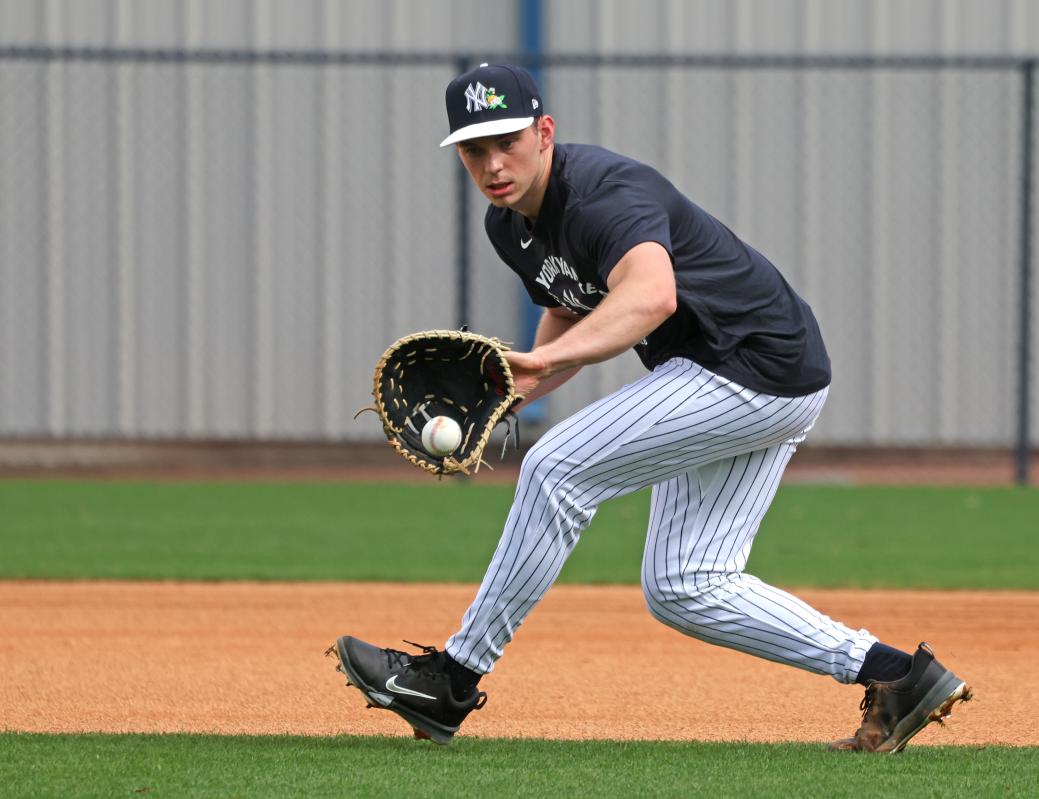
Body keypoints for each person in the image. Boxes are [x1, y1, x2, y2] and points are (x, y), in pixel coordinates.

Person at [331, 63, 971, 752]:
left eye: (507, 141)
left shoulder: (603, 195)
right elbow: (566, 304)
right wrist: (517, 388)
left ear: (545, 133)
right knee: (684, 584)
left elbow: (651, 295)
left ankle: (451, 680)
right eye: (473, 148)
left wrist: (545, 365)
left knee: (556, 467)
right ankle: (898, 675)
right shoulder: (508, 225)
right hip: (756, 370)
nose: (493, 163)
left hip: (751, 362)